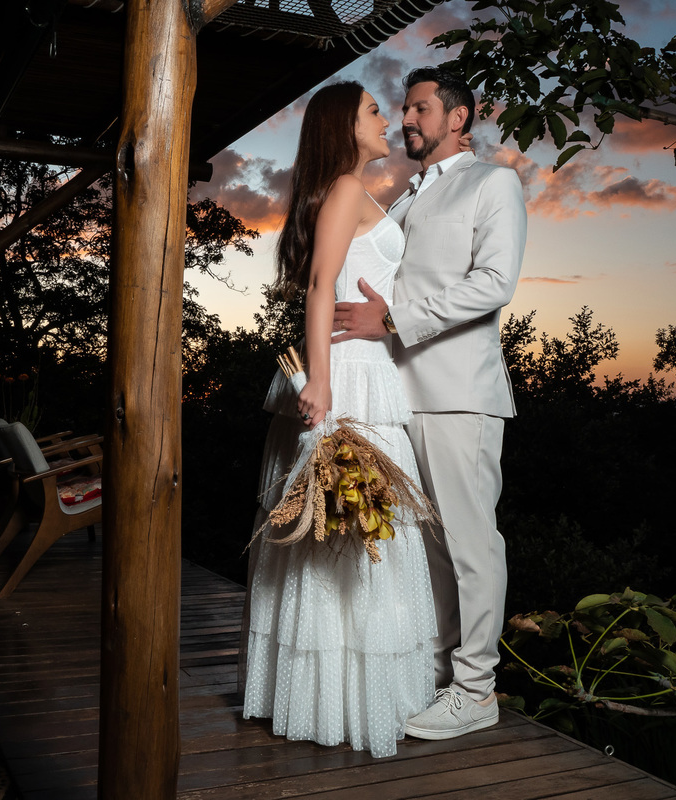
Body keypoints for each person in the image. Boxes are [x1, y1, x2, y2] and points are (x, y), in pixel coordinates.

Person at [239, 81, 438, 758]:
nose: (387, 121)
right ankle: (346, 705)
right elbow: (322, 285)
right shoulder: (347, 189)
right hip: (349, 379)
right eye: (375, 112)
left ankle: (338, 699)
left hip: (366, 368)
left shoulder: (356, 190)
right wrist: (322, 381)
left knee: (357, 537)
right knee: (353, 538)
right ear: (344, 127)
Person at [332, 66, 527, 740]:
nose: (407, 120)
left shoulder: (492, 182)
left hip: (459, 393)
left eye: (420, 109)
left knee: (473, 546)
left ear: (459, 117)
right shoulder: (407, 194)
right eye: (404, 110)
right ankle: (445, 675)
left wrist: (393, 320)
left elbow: (494, 283)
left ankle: (476, 691)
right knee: (434, 549)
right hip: (400, 394)